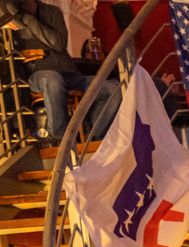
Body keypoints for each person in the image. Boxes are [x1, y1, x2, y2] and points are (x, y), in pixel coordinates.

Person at [5, 0, 120, 146]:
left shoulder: (52, 12)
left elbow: (58, 43)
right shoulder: (12, 16)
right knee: (52, 79)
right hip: (39, 75)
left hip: (68, 73)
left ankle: (92, 135)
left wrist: (29, 19)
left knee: (114, 88)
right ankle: (60, 138)